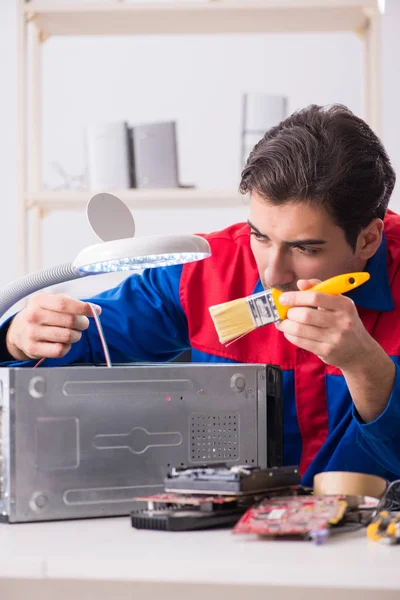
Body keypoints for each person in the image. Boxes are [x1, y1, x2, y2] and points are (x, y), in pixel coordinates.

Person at [1, 104, 399, 486]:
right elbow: (84, 339)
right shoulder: (203, 269)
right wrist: (18, 337)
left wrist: (367, 368)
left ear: (367, 240)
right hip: (226, 540)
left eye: (305, 248)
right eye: (259, 236)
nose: (273, 274)